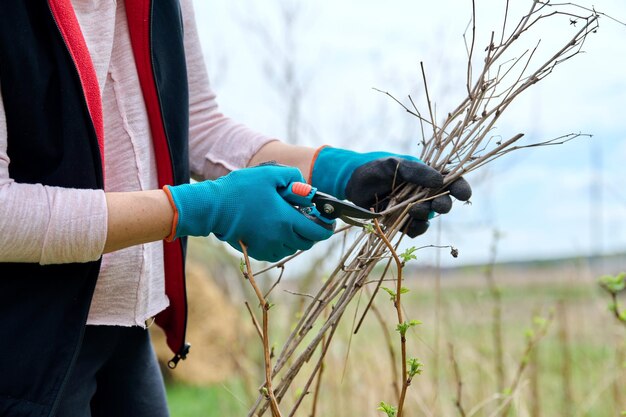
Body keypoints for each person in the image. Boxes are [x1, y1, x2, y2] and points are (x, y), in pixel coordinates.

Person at [0, 1, 471, 416]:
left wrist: (335, 172)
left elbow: (196, 123)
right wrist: (197, 209)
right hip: (24, 343)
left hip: (124, 328)